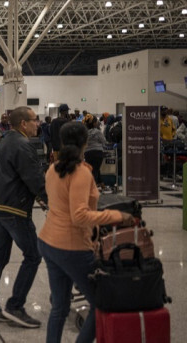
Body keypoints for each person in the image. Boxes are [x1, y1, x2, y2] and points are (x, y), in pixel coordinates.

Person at [38, 121, 134, 343]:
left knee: (60, 307)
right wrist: (118, 217)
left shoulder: (53, 169)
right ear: (86, 142)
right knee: (100, 303)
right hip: (71, 247)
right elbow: (79, 216)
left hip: (48, 242)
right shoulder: (80, 173)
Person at [0, 106, 47, 328]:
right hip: (14, 210)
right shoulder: (23, 145)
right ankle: (15, 306)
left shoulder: (7, 140)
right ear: (23, 124)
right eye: (35, 120)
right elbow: (35, 179)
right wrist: (48, 199)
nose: (38, 124)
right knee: (33, 255)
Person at [83, 114, 108, 193]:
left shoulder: (84, 133)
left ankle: (101, 184)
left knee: (94, 169)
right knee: (95, 170)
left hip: (87, 153)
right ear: (93, 123)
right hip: (97, 153)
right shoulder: (97, 132)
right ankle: (92, 189)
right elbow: (104, 141)